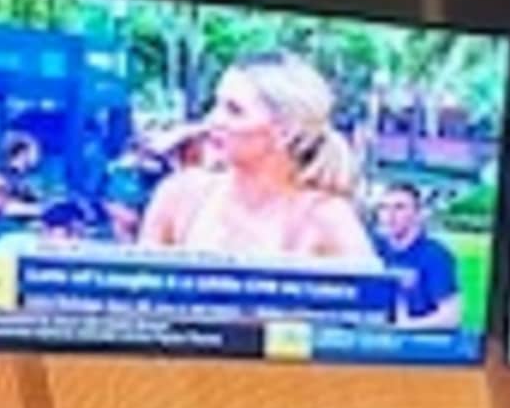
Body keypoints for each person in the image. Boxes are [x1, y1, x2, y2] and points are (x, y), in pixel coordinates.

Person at [139, 56, 378, 265]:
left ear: (285, 130)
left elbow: (375, 305)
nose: (213, 120)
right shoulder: (180, 195)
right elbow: (136, 296)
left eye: (234, 110)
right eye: (216, 104)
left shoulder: (327, 217)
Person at [368, 180, 464, 327]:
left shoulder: (435, 255)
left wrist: (406, 327)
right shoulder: (372, 249)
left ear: (418, 214)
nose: (389, 215)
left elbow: (451, 317)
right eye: (383, 208)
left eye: (399, 208)